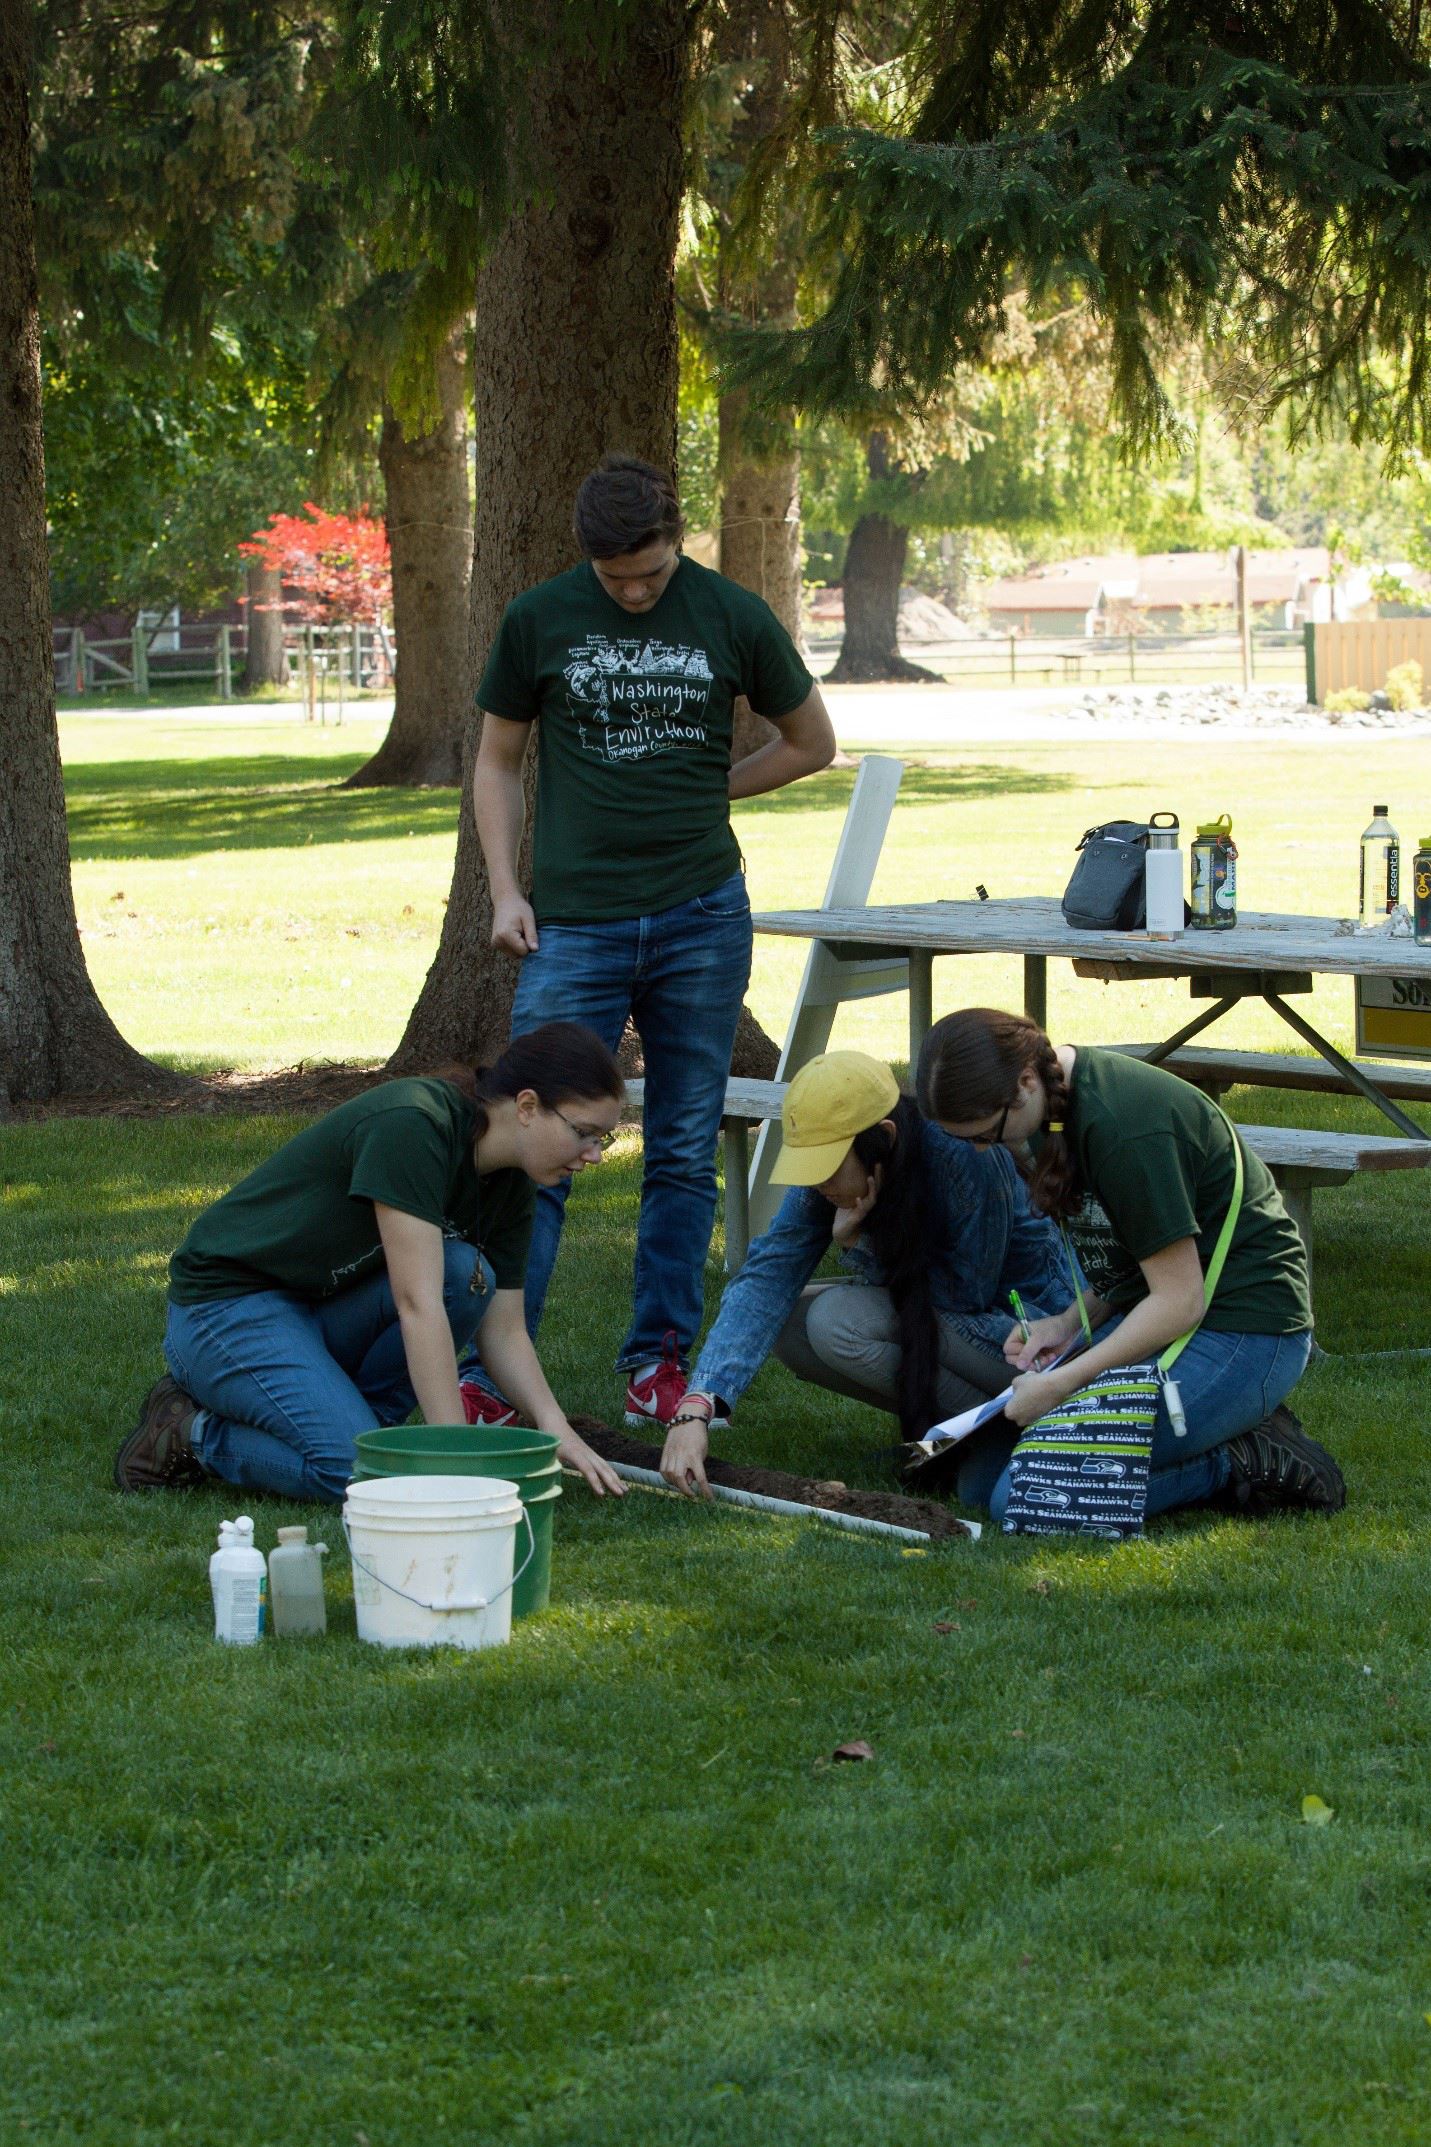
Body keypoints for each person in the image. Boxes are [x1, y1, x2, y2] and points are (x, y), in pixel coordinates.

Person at [468, 452, 837, 1434]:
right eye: (615, 578)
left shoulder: (731, 614)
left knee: (680, 1146)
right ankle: (495, 1370)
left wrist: (714, 788)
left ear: (679, 542)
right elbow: (498, 761)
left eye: (651, 575)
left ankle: (657, 1363)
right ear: (587, 556)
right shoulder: (539, 618)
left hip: (699, 915)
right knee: (530, 1138)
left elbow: (812, 739)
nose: (633, 593)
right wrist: (506, 890)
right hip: (572, 922)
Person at [114, 1023, 627, 1502]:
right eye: (583, 1131)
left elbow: (506, 1330)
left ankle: (346, 1421)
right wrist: (454, 1460)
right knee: (368, 1477)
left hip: (317, 1309)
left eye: (602, 1137)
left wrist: (555, 1427)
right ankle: (190, 1432)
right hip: (224, 1310)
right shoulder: (415, 1123)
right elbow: (416, 1303)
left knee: (467, 1278)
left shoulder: (514, 1178)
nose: (595, 1153)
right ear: (528, 1105)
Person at [913, 1007, 1344, 1522]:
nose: (984, 1151)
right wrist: (1066, 1322)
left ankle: (1239, 1457)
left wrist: (1059, 1385)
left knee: (1021, 1501)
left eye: (985, 1135)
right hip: (1172, 1312)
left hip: (1247, 1331)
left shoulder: (1122, 1129)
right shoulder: (1051, 1106)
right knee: (981, 1488)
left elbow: (1180, 1300)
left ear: (1025, 1082)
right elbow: (1137, 1257)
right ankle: (1214, 1434)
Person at [658, 1051, 1073, 1499]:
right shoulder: (841, 1167)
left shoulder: (964, 1153)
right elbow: (768, 1274)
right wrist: (698, 1404)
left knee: (836, 1321)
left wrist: (860, 1246)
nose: (819, 1184)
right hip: (961, 1323)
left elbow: (965, 1294)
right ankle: (960, 1433)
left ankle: (1001, 1425)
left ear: (883, 1137)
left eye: (828, 1167)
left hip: (1032, 1334)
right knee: (792, 1320)